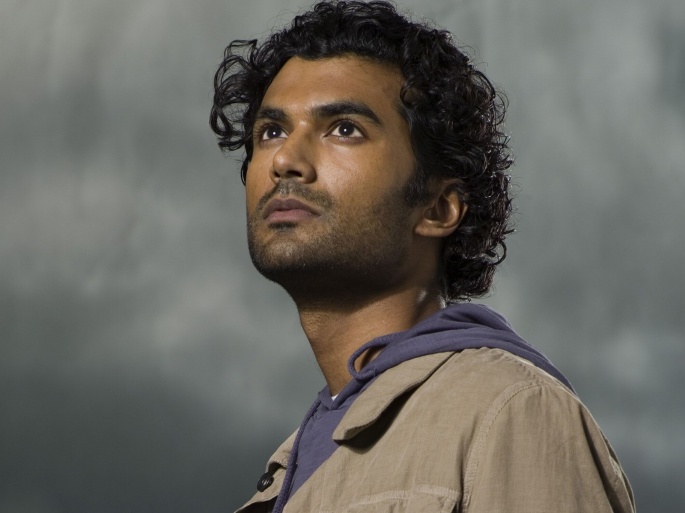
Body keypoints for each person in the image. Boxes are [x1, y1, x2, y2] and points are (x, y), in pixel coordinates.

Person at [210, 1, 635, 512]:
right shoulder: (285, 476)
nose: (285, 160)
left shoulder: (510, 408)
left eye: (344, 128)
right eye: (272, 131)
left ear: (437, 209)